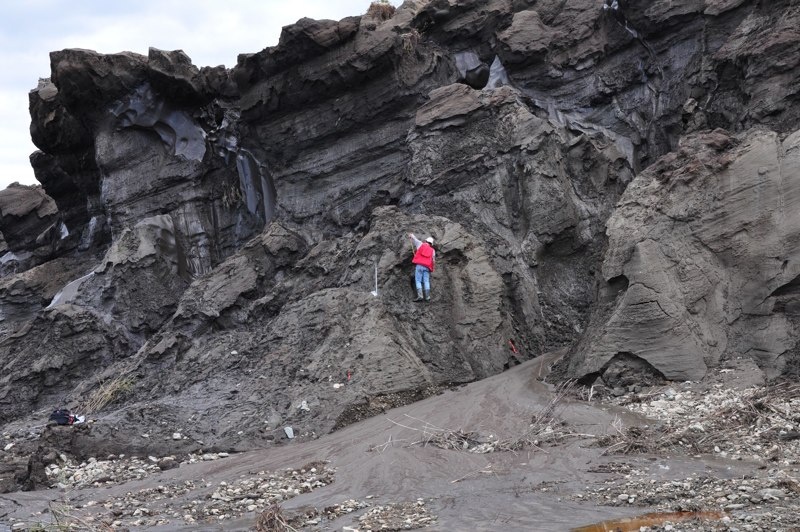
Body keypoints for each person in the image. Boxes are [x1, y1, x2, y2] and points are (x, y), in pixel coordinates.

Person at [408, 233, 435, 302]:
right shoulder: (433, 251)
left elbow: (414, 239)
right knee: (426, 281)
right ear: (431, 244)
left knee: (418, 280)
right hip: (427, 267)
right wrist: (431, 268)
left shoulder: (420, 244)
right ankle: (427, 297)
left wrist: (411, 235)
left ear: (426, 241)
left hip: (420, 266)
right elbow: (433, 260)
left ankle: (420, 296)